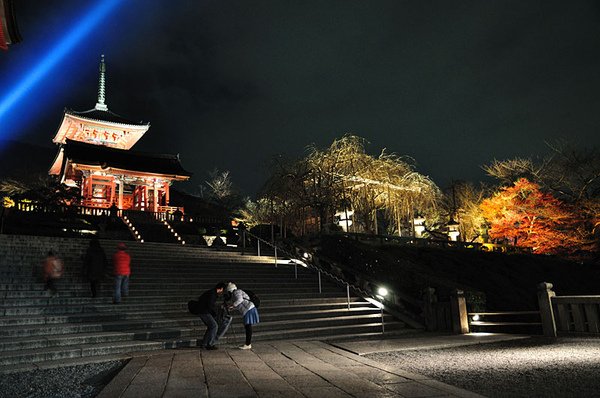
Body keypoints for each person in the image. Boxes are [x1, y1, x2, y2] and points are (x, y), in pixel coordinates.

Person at [227, 282, 259, 350]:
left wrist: (233, 305)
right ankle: (248, 343)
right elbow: (240, 303)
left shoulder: (237, 292)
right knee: (248, 326)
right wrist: (232, 307)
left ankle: (248, 344)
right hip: (248, 309)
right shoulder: (235, 293)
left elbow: (240, 300)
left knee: (248, 327)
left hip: (248, 309)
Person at [196, 282, 227, 350]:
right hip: (203, 311)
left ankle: (204, 344)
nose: (222, 292)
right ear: (221, 289)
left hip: (203, 311)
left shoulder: (212, 293)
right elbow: (210, 305)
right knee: (214, 326)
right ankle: (209, 344)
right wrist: (215, 313)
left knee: (211, 327)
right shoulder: (212, 294)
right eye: (223, 290)